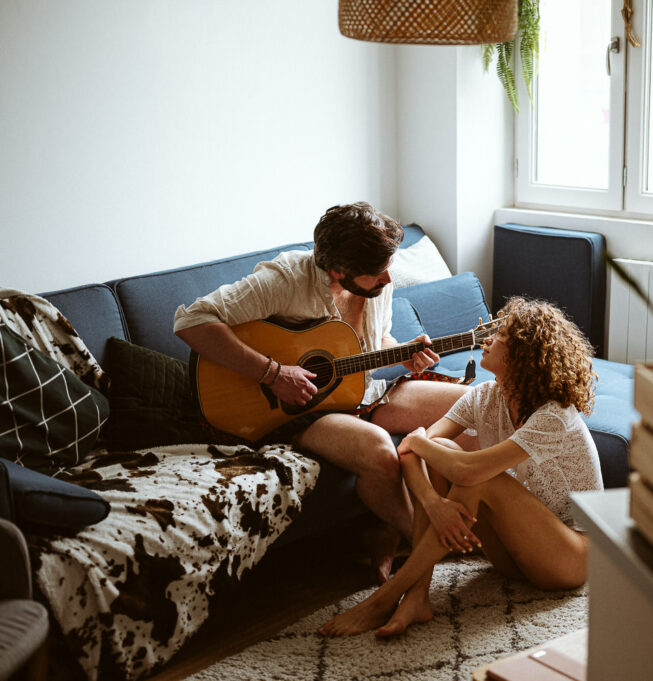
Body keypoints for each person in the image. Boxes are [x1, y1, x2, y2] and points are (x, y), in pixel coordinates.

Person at [173, 202, 472, 583]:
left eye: (387, 267)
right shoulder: (284, 281)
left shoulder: (379, 281)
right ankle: (432, 545)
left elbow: (374, 347)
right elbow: (190, 321)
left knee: (471, 405)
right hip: (305, 408)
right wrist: (273, 373)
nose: (387, 278)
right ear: (337, 271)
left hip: (367, 389)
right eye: (376, 272)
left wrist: (404, 358)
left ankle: (391, 529)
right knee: (379, 449)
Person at [317, 297, 604, 638]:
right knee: (445, 450)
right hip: (512, 556)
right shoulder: (484, 397)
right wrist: (434, 504)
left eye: (499, 337)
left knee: (479, 476)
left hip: (569, 558)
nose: (487, 339)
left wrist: (419, 441)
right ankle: (417, 596)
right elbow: (411, 454)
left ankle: (387, 596)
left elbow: (450, 463)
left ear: (523, 355)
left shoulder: (554, 415)